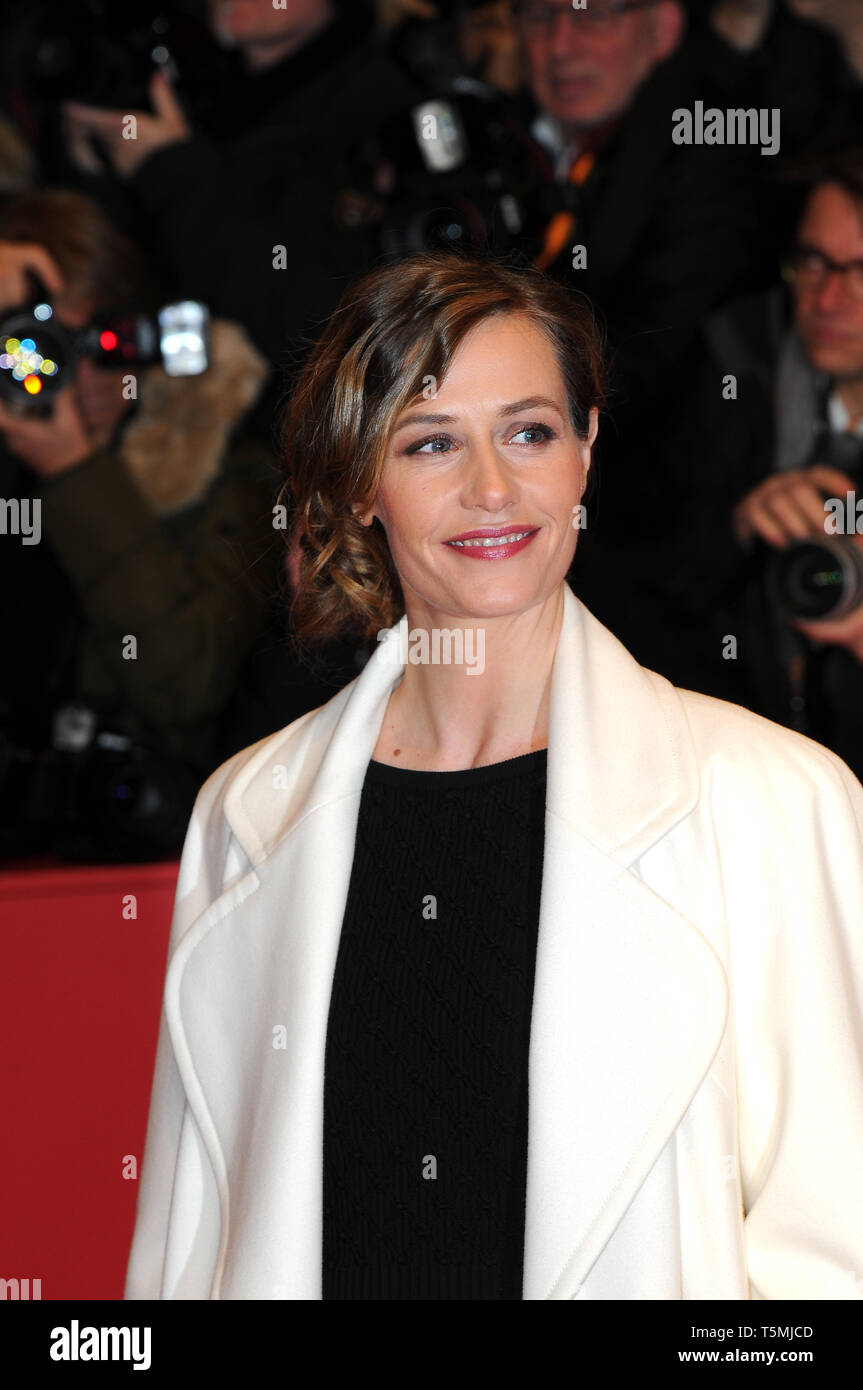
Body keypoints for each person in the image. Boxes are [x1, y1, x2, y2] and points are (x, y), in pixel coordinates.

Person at [124, 252, 863, 1300]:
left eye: (528, 431)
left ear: (584, 449)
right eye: (431, 443)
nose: (490, 488)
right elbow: (184, 1249)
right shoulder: (248, 815)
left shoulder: (772, 801)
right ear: (360, 485)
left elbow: (833, 1251)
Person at [0, 191, 281, 852]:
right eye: (33, 346)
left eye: (90, 339)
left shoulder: (225, 466)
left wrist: (75, 473)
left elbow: (186, 684)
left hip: (131, 859)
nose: (73, 374)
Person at [667, 148, 863, 783]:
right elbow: (643, 584)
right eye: (813, 263)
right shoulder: (736, 369)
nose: (828, 299)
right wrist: (739, 530)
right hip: (741, 779)